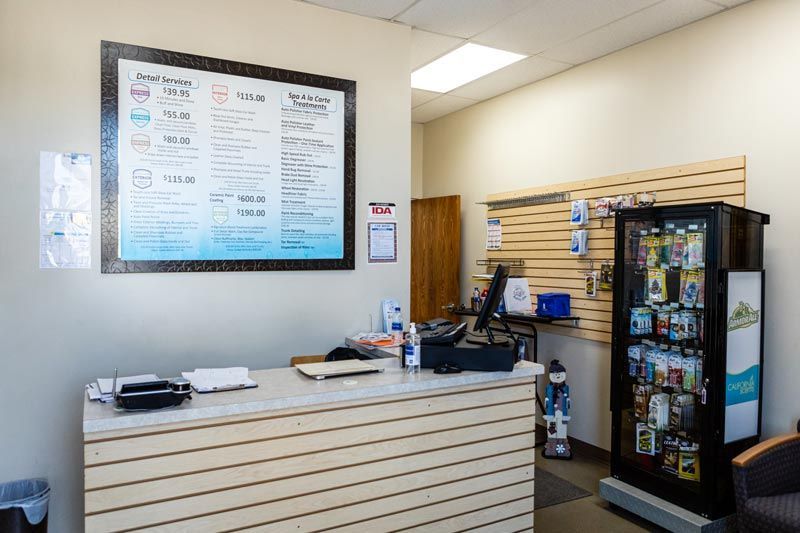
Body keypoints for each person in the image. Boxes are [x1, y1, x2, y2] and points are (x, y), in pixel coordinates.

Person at [543, 359, 573, 459]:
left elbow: (567, 401)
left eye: (560, 373)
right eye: (555, 374)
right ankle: (552, 448)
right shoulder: (549, 388)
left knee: (562, 429)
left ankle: (561, 449)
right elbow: (547, 400)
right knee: (552, 429)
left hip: (562, 413)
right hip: (551, 413)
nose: (557, 376)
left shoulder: (565, 388)